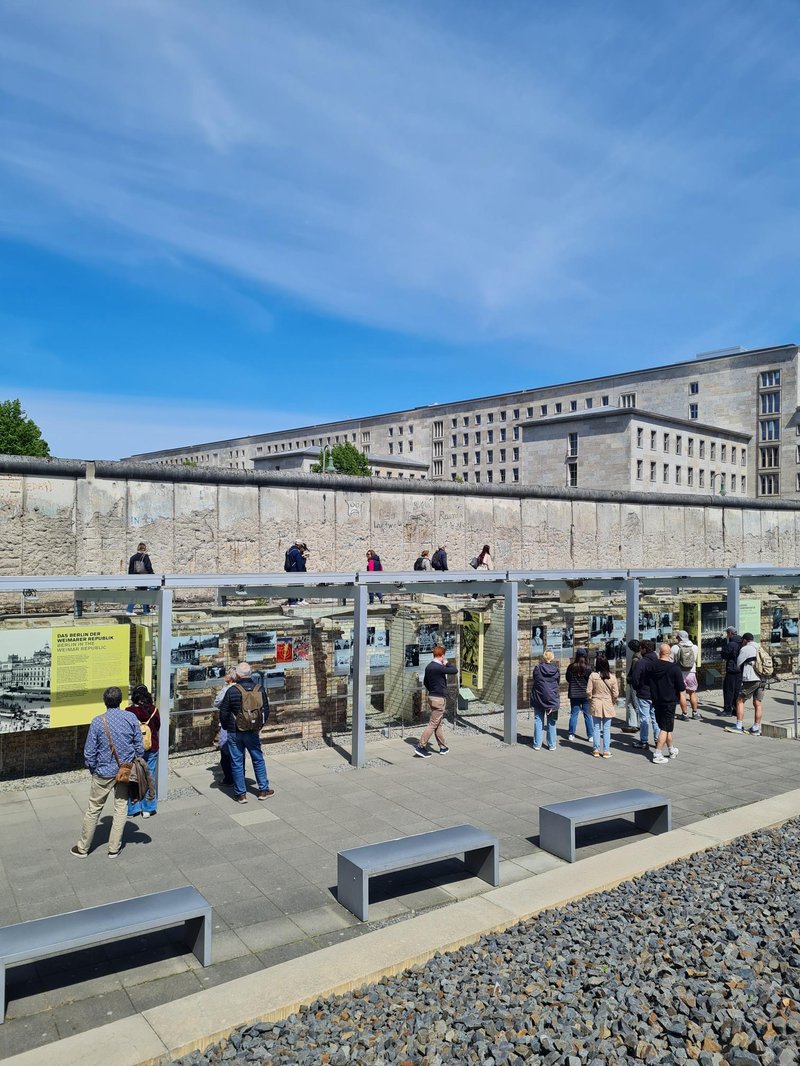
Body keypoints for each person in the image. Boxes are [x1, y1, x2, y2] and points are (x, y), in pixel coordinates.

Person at [71, 686, 143, 858]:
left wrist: (93, 768)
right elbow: (139, 747)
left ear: (105, 701)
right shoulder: (130, 718)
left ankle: (83, 848)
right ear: (120, 701)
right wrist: (133, 762)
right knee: (120, 807)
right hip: (124, 771)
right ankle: (113, 848)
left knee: (94, 808)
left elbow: (89, 751)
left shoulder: (97, 721)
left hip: (102, 772)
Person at [217, 662, 273, 802]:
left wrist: (226, 726)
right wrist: (259, 726)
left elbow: (223, 712)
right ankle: (263, 790)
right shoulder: (260, 689)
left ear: (237, 675)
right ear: (250, 673)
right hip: (253, 730)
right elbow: (266, 710)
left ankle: (241, 794)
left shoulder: (232, 690)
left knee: (236, 761)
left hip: (234, 731)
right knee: (258, 759)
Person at [644, 643, 686, 764]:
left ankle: (671, 749)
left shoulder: (650, 666)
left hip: (656, 700)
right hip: (669, 702)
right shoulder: (674, 668)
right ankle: (657, 753)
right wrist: (684, 710)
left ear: (659, 652)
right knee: (665, 728)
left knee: (665, 726)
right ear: (669, 654)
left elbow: (646, 682)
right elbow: (682, 690)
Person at [415, 644, 458, 757]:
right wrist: (447, 663)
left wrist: (432, 691)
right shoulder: (439, 667)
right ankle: (421, 746)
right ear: (442, 655)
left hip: (432, 697)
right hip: (439, 699)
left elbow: (425, 682)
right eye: (444, 656)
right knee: (433, 723)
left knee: (438, 723)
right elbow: (454, 670)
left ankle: (443, 747)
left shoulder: (429, 666)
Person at [126, 685, 160, 818]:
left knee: (133, 777)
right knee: (149, 776)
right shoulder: (154, 710)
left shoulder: (129, 711)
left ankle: (133, 808)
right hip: (151, 747)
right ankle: (148, 807)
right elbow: (157, 726)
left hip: (134, 749)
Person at [630, 639, 660, 750]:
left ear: (643, 649)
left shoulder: (641, 663)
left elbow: (635, 679)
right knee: (655, 718)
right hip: (655, 693)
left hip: (643, 693)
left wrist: (637, 688)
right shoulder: (658, 661)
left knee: (644, 718)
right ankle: (658, 740)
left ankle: (644, 741)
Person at [732, 633, 764, 735]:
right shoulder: (760, 647)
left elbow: (738, 663)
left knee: (740, 700)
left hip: (751, 679)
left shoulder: (745, 649)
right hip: (763, 678)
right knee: (757, 703)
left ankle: (738, 725)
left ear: (745, 640)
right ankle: (756, 728)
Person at [587, 655, 618, 758]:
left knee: (596, 727)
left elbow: (588, 691)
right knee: (606, 728)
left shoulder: (593, 676)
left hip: (596, 702)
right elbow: (616, 693)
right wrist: (612, 701)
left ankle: (595, 749)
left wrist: (591, 699)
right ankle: (606, 751)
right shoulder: (612, 677)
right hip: (608, 703)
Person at [530, 650, 560, 751]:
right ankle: (552, 744)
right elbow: (558, 682)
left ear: (543, 657)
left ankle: (537, 744)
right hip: (553, 700)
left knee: (538, 721)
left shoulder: (538, 668)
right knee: (552, 722)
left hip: (539, 698)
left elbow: (535, 679)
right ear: (552, 658)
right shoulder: (556, 669)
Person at [213, 666, 237, 786]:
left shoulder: (226, 690)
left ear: (229, 677)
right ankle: (238, 777)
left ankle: (229, 778)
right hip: (240, 724)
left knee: (225, 750)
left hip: (228, 724)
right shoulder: (241, 688)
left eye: (226, 674)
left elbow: (216, 703)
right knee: (238, 752)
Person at [671, 630, 700, 720]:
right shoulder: (695, 647)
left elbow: (671, 661)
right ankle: (695, 713)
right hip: (691, 672)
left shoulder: (675, 648)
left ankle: (685, 715)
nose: (676, 638)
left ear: (680, 637)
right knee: (692, 693)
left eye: (677, 637)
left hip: (680, 673)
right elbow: (694, 659)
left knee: (682, 694)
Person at [565, 648, 592, 742]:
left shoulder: (571, 667)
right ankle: (590, 735)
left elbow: (568, 679)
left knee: (574, 715)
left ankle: (571, 734)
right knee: (588, 715)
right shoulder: (588, 667)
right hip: (585, 694)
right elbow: (591, 681)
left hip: (574, 694)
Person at [721, 627, 743, 716]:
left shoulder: (731, 644)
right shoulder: (741, 643)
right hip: (740, 670)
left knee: (728, 690)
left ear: (730, 633)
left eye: (727, 633)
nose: (727, 635)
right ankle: (736, 709)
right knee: (737, 690)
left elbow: (724, 655)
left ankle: (727, 709)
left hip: (732, 670)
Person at [127, 541, 154, 615]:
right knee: (145, 594)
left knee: (137, 593)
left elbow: (130, 569)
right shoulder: (145, 557)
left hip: (135, 579)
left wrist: (131, 579)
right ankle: (145, 611)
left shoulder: (132, 558)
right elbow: (148, 567)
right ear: (144, 549)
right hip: (144, 578)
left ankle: (129, 610)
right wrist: (153, 576)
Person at [623, 639, 642, 732]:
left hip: (635, 683)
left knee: (635, 703)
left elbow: (635, 673)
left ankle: (638, 723)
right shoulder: (641, 656)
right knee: (631, 703)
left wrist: (630, 679)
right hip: (637, 683)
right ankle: (633, 723)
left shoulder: (636, 659)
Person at [284, 540, 307, 605]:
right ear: (299, 545)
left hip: (289, 571)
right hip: (295, 571)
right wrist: (304, 559)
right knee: (295, 586)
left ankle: (291, 601)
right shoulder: (296, 552)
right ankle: (293, 601)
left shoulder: (288, 551)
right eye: (301, 545)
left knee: (291, 586)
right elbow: (299, 564)